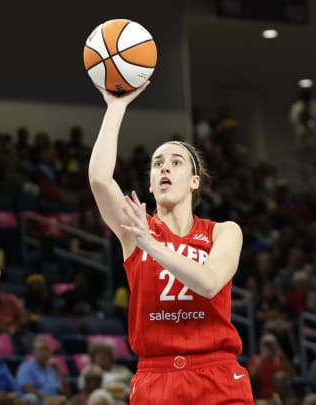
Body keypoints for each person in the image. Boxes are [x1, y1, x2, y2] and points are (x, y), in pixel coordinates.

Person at [87, 82, 253, 404]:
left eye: (176, 162)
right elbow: (98, 179)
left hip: (217, 374)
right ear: (151, 184)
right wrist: (116, 107)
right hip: (155, 377)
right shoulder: (135, 228)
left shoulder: (223, 232)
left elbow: (208, 283)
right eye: (157, 163)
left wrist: (152, 246)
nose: (164, 166)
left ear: (194, 181)